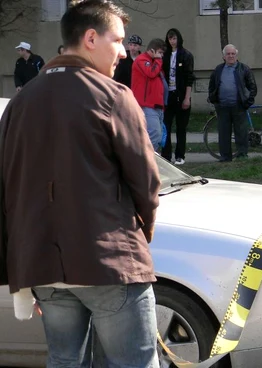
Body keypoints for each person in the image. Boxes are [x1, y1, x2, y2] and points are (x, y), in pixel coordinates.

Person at [0, 1, 161, 367]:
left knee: (65, 361)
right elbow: (146, 184)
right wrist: (141, 238)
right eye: (117, 40)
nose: (123, 51)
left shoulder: (20, 104)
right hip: (107, 261)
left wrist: (19, 264)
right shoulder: (113, 95)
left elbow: (5, 186)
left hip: (42, 265)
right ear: (90, 38)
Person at [207, 44, 258, 161]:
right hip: (222, 107)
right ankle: (225, 157)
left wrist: (247, 102)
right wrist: (214, 100)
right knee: (224, 133)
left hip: (239, 106)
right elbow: (212, 86)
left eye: (233, 54)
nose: (231, 56)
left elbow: (253, 87)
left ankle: (242, 155)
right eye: (228, 54)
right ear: (224, 56)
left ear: (236, 55)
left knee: (241, 132)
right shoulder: (218, 70)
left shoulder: (244, 69)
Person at [162, 28, 195, 165]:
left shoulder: (186, 55)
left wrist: (187, 98)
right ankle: (166, 156)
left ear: (179, 39)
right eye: (170, 38)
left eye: (174, 38)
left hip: (181, 95)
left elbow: (189, 78)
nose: (172, 41)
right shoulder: (165, 54)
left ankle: (180, 156)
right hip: (168, 96)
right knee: (166, 126)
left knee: (181, 127)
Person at [132, 38, 167, 151]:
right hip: (147, 106)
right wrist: (158, 60)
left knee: (158, 137)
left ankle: (152, 163)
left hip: (157, 106)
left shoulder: (154, 62)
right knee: (154, 135)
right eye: (160, 53)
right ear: (152, 50)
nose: (161, 56)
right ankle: (147, 164)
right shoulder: (142, 60)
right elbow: (151, 73)